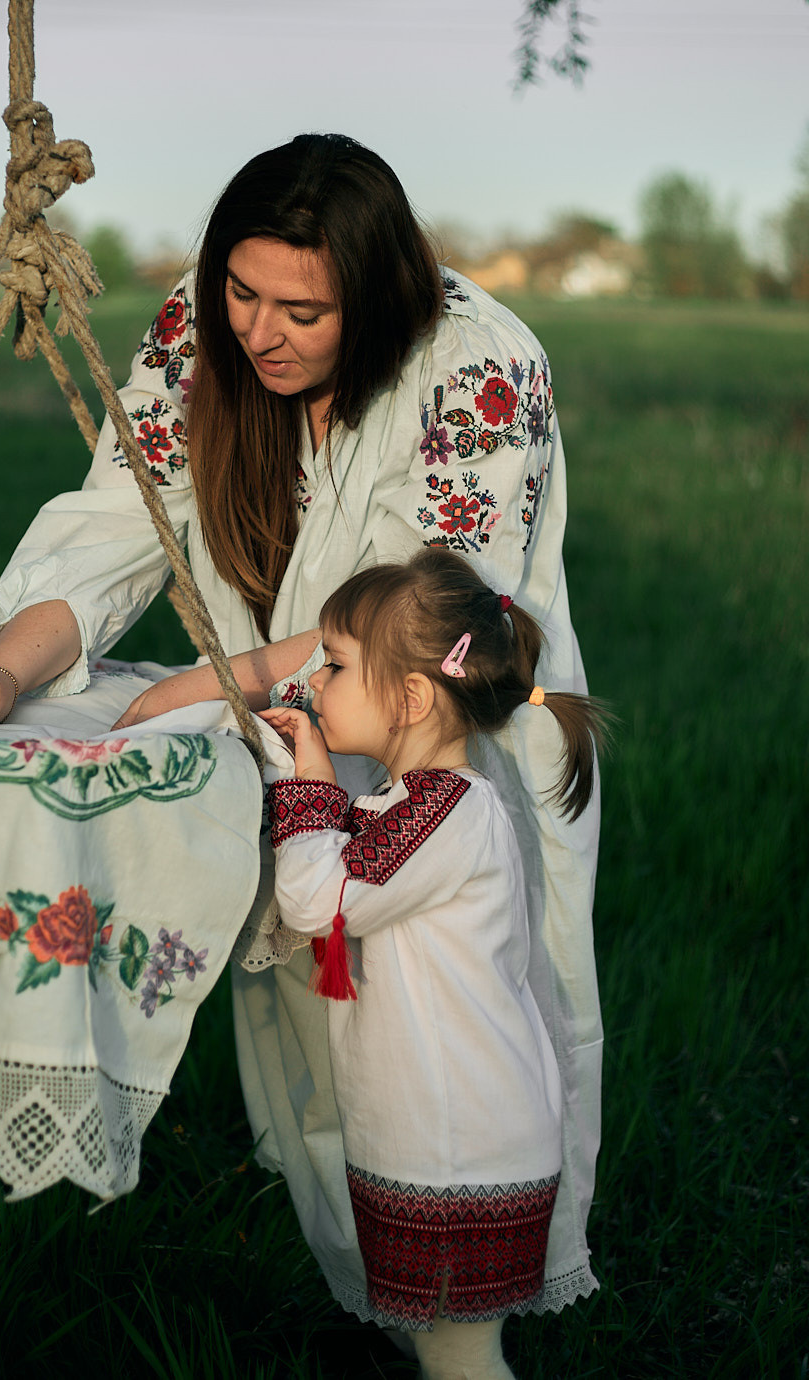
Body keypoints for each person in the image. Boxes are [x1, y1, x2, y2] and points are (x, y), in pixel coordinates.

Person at [0, 133, 602, 1332]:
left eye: (301, 311)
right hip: (309, 726)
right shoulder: (197, 333)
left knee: (459, 1036)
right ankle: (373, 1289)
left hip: (441, 739)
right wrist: (7, 674)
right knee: (329, 1032)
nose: (259, 332)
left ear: (372, 299)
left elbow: (430, 612)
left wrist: (198, 691)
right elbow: (125, 519)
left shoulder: (478, 363)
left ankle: (481, 1296)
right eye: (240, 290)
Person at [259, 547, 608, 1380]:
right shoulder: (416, 807)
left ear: (412, 697)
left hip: (459, 1157)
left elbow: (320, 904)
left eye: (336, 663)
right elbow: (352, 873)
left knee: (460, 1361)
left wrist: (308, 785)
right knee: (441, 1346)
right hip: (438, 1141)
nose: (316, 677)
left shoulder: (445, 814)